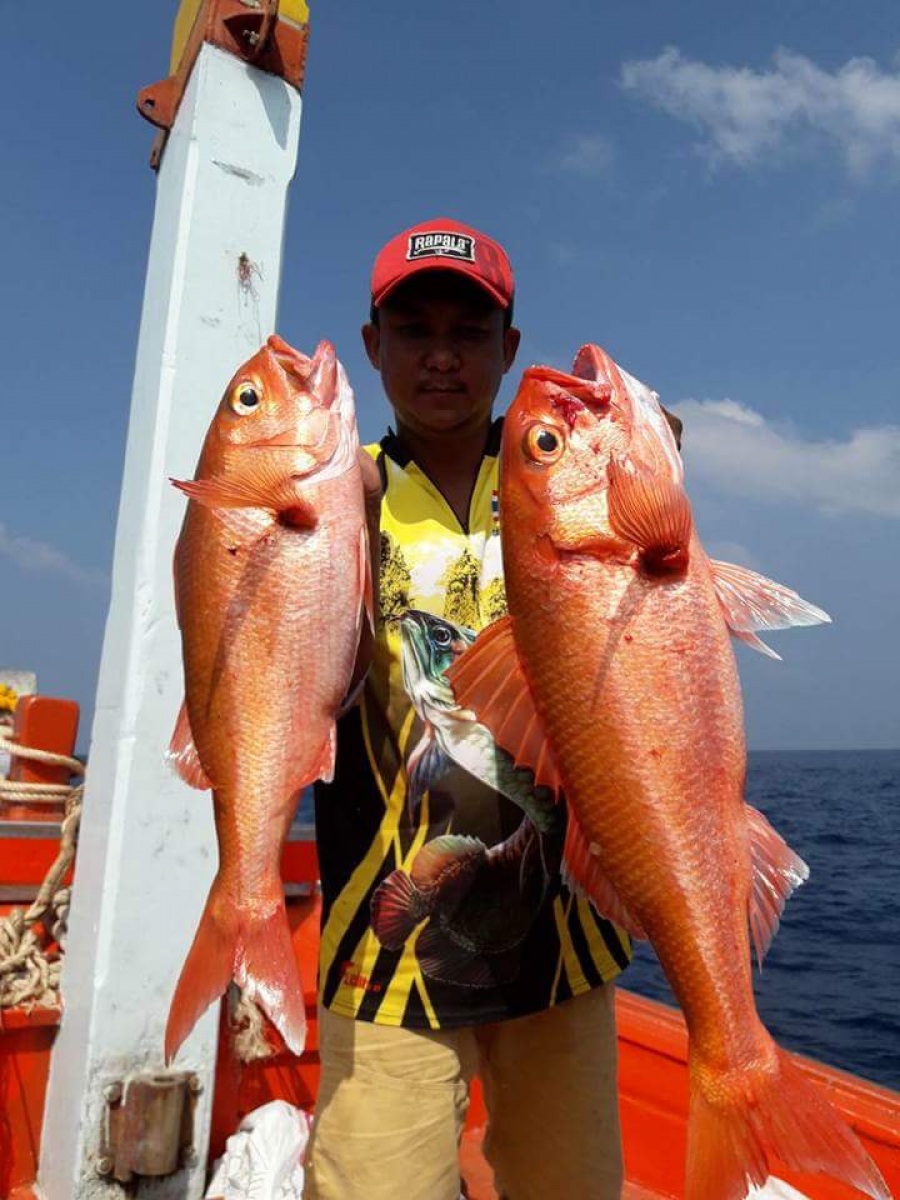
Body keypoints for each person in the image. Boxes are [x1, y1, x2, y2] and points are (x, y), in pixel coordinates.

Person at [305, 219, 668, 1200]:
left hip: (570, 941)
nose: (439, 356)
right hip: (390, 952)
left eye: (469, 334)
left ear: (509, 352)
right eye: (412, 329)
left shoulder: (569, 479)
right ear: (373, 345)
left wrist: (652, 465)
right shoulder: (342, 498)